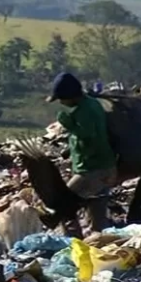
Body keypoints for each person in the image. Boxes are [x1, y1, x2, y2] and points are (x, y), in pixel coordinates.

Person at [45, 72, 117, 237]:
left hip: (91, 169)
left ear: (70, 95)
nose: (62, 103)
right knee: (97, 211)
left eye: (62, 98)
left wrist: (68, 124)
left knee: (62, 204)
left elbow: (88, 135)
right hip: (104, 165)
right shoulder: (92, 104)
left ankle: (72, 242)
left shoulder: (84, 111)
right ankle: (99, 246)